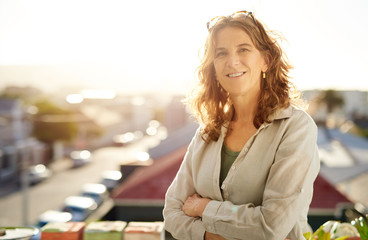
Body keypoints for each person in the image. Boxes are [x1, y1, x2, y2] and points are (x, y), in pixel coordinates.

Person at [163, 10, 320, 240]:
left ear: (265, 60)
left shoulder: (296, 128)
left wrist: (204, 208)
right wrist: (213, 236)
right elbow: (172, 213)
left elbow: (271, 226)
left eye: (243, 49)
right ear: (214, 68)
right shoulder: (207, 132)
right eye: (221, 53)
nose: (232, 61)